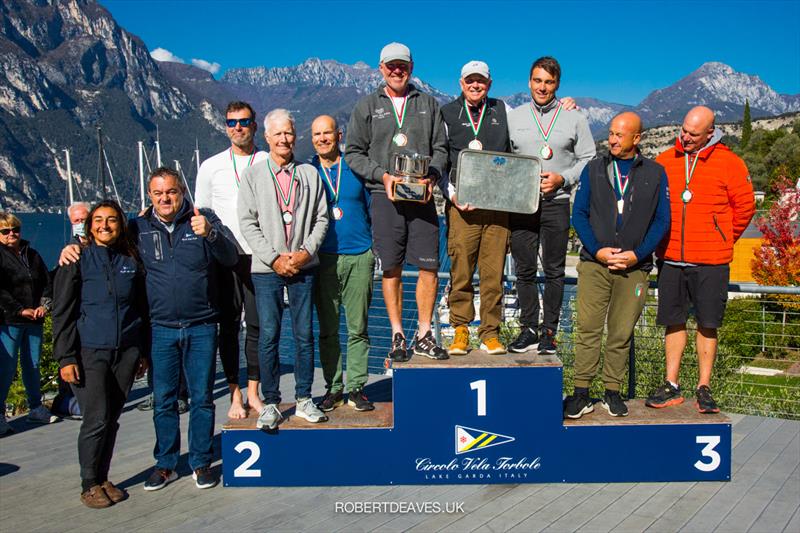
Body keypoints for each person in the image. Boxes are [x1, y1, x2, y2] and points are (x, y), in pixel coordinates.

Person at [60, 167, 238, 491]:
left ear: (181, 191)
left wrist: (210, 233)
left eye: (170, 191)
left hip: (201, 326)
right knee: (164, 400)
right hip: (161, 329)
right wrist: (75, 244)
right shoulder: (138, 227)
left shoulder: (201, 220)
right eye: (158, 193)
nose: (165, 198)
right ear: (150, 196)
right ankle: (166, 463)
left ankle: (200, 462)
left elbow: (230, 258)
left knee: (202, 399)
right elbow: (105, 237)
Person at [646, 106, 755, 413]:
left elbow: (744, 208)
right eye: (684, 131)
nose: (686, 137)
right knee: (673, 321)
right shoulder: (665, 161)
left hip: (711, 260)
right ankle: (672, 384)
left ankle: (704, 387)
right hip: (671, 257)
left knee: (708, 324)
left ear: (711, 132)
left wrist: (718, 238)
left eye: (694, 134)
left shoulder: (730, 163)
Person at [345, 42, 449, 362]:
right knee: (391, 268)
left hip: (422, 198)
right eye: (391, 65)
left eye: (402, 64)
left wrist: (432, 176)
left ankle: (424, 333)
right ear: (381, 68)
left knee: (429, 267)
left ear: (412, 66)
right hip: (384, 196)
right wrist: (382, 175)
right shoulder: (366, 106)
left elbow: (442, 148)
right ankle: (397, 335)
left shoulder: (428, 104)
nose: (397, 70)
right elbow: (353, 153)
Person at [564, 112, 670, 419]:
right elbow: (578, 215)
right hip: (595, 265)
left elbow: (662, 220)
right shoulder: (594, 169)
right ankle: (581, 391)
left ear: (637, 138)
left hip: (634, 269)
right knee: (588, 330)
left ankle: (612, 391)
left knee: (621, 333)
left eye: (619, 135)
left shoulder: (655, 172)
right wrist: (597, 251)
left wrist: (638, 255)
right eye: (610, 133)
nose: (612, 139)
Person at [53, 200, 150, 508]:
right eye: (98, 220)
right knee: (95, 419)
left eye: (111, 220)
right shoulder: (76, 259)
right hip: (89, 352)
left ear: (120, 224)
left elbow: (141, 309)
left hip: (126, 351)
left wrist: (142, 353)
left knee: (112, 418)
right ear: (89, 224)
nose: (104, 225)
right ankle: (88, 483)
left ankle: (103, 477)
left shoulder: (130, 260)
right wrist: (66, 358)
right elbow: (63, 312)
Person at [238, 109, 329, 430]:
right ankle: (271, 403)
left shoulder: (310, 175)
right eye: (277, 134)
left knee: (304, 335)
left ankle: (304, 398)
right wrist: (275, 258)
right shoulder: (253, 176)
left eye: (288, 132)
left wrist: (304, 254)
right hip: (266, 270)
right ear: (266, 138)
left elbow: (322, 219)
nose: (284, 139)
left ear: (295, 134)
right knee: (269, 337)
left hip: (304, 267)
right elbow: (247, 222)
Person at [507, 56, 596, 355]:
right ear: (529, 82)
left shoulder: (574, 118)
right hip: (521, 205)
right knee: (524, 270)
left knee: (555, 271)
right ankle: (528, 328)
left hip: (557, 203)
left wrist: (563, 178)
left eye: (549, 82)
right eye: (537, 81)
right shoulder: (514, 117)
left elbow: (588, 159)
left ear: (557, 84)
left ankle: (550, 331)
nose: (542, 87)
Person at [195, 101, 267, 419]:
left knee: (258, 326)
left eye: (244, 121)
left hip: (259, 256)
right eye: (231, 122)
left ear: (254, 125)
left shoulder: (266, 161)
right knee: (227, 329)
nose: (238, 127)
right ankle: (234, 395)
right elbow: (202, 214)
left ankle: (254, 392)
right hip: (223, 259)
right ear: (224, 126)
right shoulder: (211, 166)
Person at [440, 61, 511, 356]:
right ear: (461, 83)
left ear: (489, 84)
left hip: (497, 208)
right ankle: (460, 329)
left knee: (494, 274)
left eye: (480, 81)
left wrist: (566, 104)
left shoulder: (502, 110)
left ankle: (490, 332)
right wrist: (453, 195)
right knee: (462, 270)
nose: (475, 85)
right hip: (462, 207)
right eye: (470, 80)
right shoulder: (446, 114)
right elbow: (440, 162)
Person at [310, 115, 375, 412]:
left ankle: (356, 387)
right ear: (312, 139)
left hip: (359, 255)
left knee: (358, 327)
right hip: (322, 258)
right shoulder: (307, 172)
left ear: (339, 135)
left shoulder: (354, 166)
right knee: (327, 329)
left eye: (328, 133)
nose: (323, 138)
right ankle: (333, 387)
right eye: (317, 134)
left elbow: (372, 208)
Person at [0, 212, 57, 435]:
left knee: (32, 365)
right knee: (6, 367)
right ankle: (0, 414)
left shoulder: (31, 255)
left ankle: (36, 407)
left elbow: (46, 281)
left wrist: (44, 305)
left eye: (15, 230)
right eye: (5, 231)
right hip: (8, 321)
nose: (11, 234)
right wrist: (19, 309)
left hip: (35, 319)